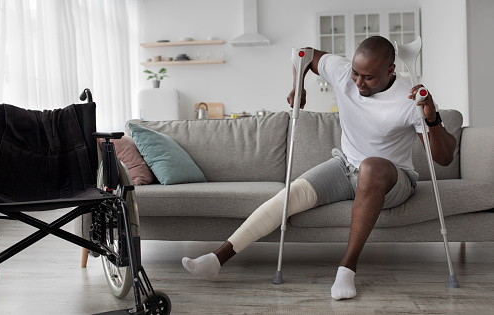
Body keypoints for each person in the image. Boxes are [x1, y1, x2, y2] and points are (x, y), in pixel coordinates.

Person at [181, 36, 456, 300]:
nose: (358, 83)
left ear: (390, 70)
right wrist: (298, 85)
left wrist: (432, 119)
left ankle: (347, 269)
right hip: (346, 166)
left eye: (368, 77)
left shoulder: (409, 100)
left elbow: (443, 158)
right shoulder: (343, 72)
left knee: (371, 167)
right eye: (355, 73)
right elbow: (303, 54)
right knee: (292, 194)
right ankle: (217, 259)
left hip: (393, 180)